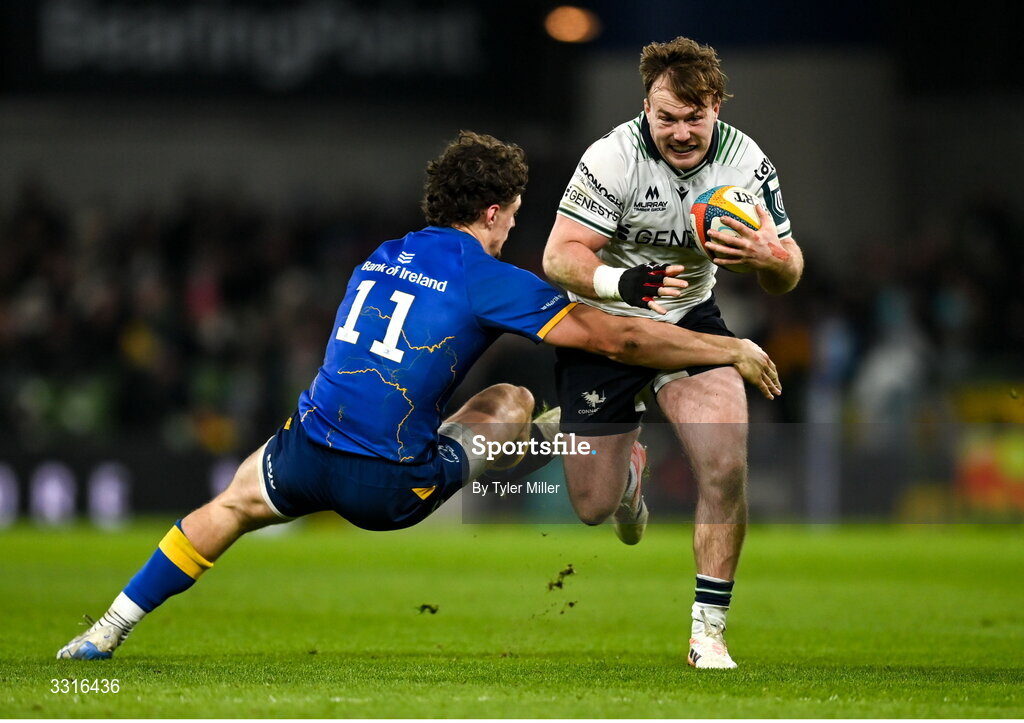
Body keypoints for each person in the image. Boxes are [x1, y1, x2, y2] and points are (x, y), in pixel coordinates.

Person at [56, 130, 780, 660]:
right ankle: (566, 440)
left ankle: (103, 631)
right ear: (496, 212)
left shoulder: (381, 252)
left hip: (308, 447)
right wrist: (730, 347)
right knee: (510, 402)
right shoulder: (487, 276)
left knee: (229, 507)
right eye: (517, 215)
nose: (514, 227)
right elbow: (616, 341)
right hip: (390, 486)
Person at [542, 37, 804, 669]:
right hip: (608, 324)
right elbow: (558, 255)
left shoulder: (744, 162)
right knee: (591, 507)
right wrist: (618, 282)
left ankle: (707, 633)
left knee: (725, 467)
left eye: (695, 117)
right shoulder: (613, 156)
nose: (682, 132)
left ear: (715, 106)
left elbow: (789, 269)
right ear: (646, 109)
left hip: (690, 318)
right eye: (668, 118)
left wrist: (770, 259)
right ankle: (628, 474)